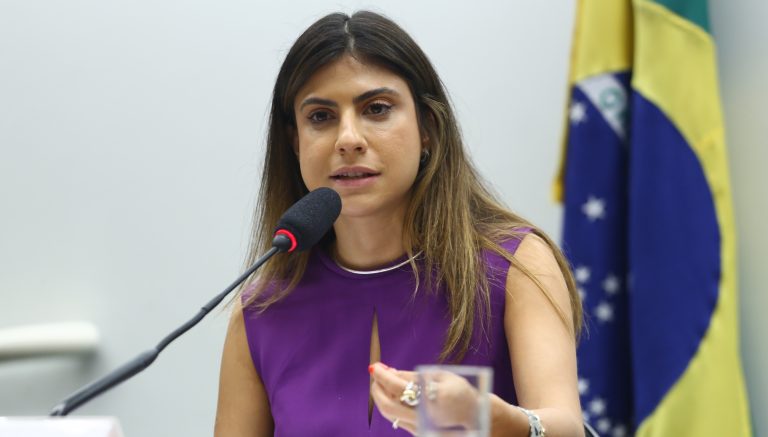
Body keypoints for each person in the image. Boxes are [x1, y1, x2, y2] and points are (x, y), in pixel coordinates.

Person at [215, 10, 584, 437]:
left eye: (376, 109)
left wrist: (488, 419)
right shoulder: (261, 310)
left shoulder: (513, 264)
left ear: (427, 127)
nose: (348, 139)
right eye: (320, 116)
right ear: (295, 142)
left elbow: (566, 428)